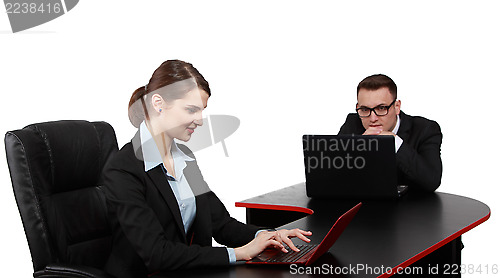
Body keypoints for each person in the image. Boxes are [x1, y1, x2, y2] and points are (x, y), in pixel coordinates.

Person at [102, 60, 311, 278]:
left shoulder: (184, 158)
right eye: (191, 110)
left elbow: (220, 223)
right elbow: (157, 253)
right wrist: (239, 253)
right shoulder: (123, 170)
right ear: (158, 103)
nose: (200, 121)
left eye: (201, 111)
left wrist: (269, 235)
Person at [338, 74, 442, 192]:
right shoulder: (352, 124)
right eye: (365, 109)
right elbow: (332, 176)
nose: (373, 118)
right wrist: (358, 149)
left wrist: (395, 143)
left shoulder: (425, 129)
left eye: (381, 108)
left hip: (410, 208)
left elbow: (431, 180)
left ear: (397, 107)